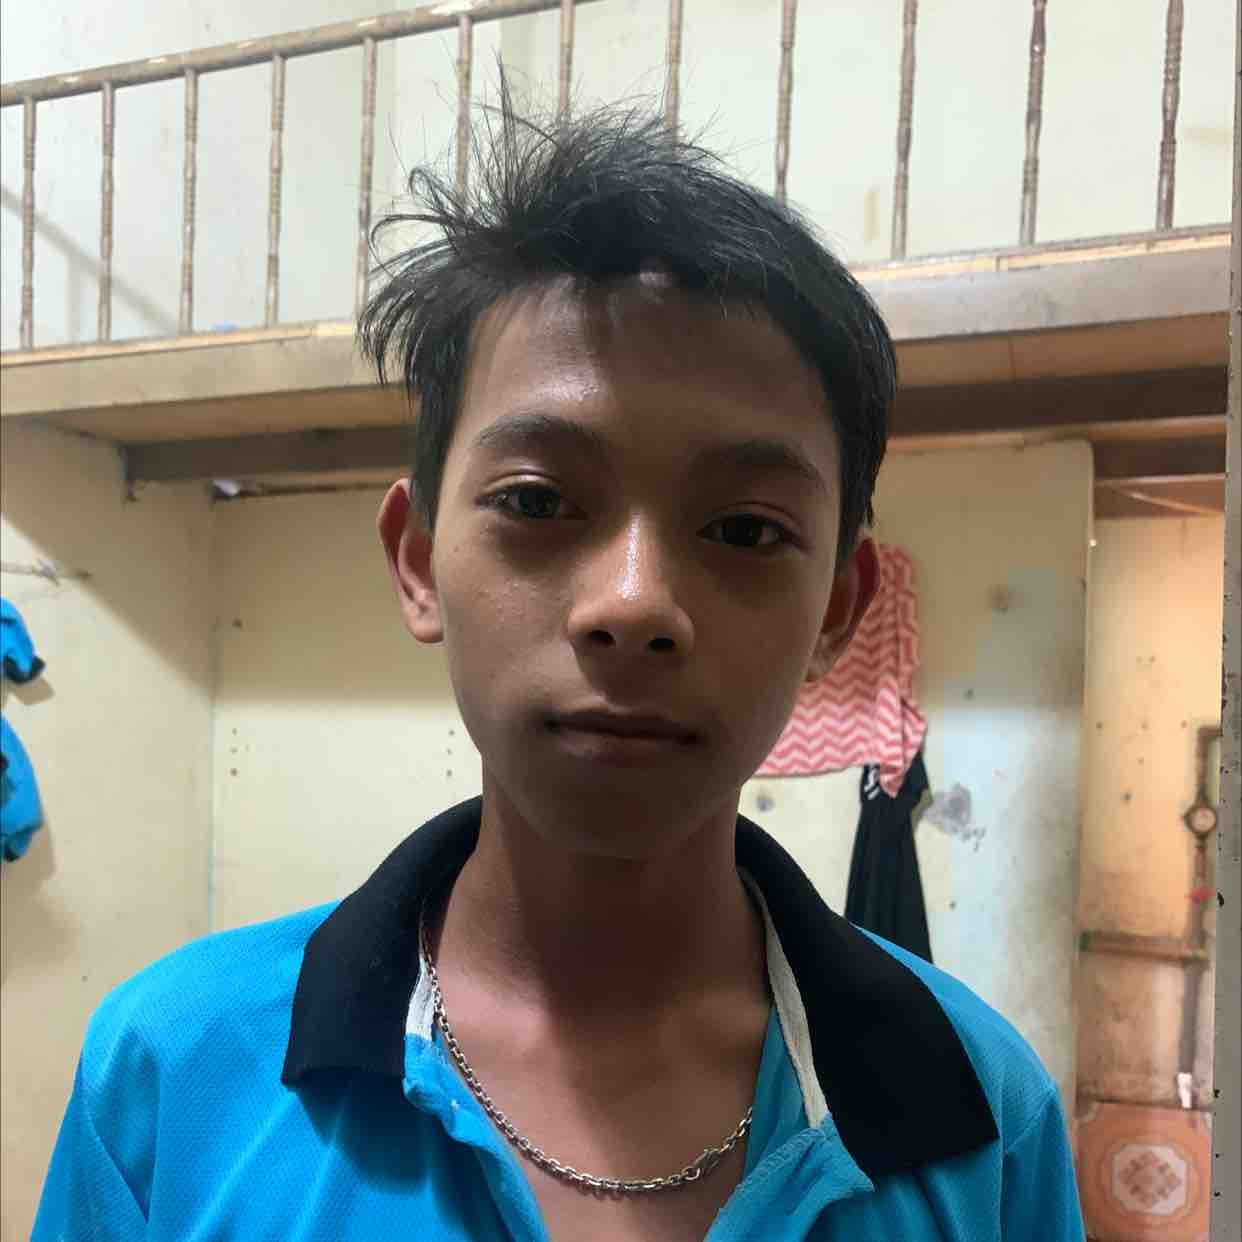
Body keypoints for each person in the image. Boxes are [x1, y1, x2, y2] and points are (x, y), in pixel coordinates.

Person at [33, 93, 1085, 1241]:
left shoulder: (985, 1117)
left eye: (744, 529)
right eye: (538, 502)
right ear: (419, 560)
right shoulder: (173, 1076)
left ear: (838, 608)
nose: (633, 603)